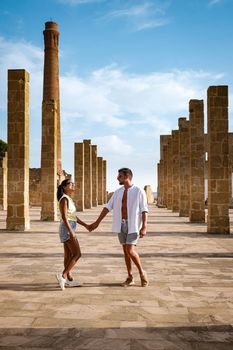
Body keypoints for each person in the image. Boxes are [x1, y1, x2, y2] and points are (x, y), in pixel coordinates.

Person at [89, 168, 149, 287]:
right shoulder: (118, 192)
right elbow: (107, 207)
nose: (117, 178)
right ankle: (130, 276)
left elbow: (144, 210)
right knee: (125, 252)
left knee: (130, 250)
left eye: (120, 176)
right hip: (120, 224)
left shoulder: (138, 191)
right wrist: (97, 222)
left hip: (133, 225)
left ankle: (142, 273)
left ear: (127, 176)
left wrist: (144, 227)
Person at [56, 179, 89, 290]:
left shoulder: (68, 199)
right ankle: (63, 275)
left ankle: (69, 279)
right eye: (70, 183)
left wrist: (86, 225)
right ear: (65, 187)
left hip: (69, 226)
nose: (73, 184)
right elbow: (65, 217)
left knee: (68, 255)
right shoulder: (64, 199)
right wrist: (70, 231)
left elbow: (73, 216)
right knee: (77, 254)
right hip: (67, 228)